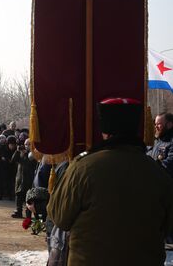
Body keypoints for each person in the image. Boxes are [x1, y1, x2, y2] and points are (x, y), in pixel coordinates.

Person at [47, 98, 173, 266]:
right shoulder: (157, 172)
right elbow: (168, 225)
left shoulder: (82, 167)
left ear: (105, 132)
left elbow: (59, 216)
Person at [148, 112, 173, 178]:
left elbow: (168, 165)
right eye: (155, 124)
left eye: (159, 124)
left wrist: (149, 168)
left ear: (169, 125)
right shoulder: (154, 141)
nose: (156, 127)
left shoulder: (171, 142)